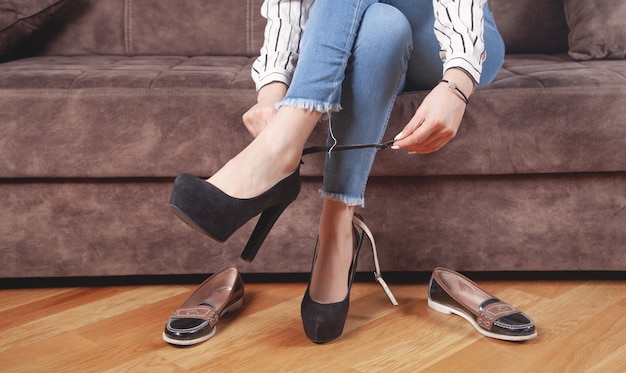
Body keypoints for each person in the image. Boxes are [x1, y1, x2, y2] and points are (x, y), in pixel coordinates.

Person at [169, 0, 504, 344]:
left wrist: (457, 83)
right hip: (371, 31)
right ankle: (337, 226)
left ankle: (280, 150)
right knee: (382, 26)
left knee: (384, 21)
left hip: (447, 37)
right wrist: (271, 88)